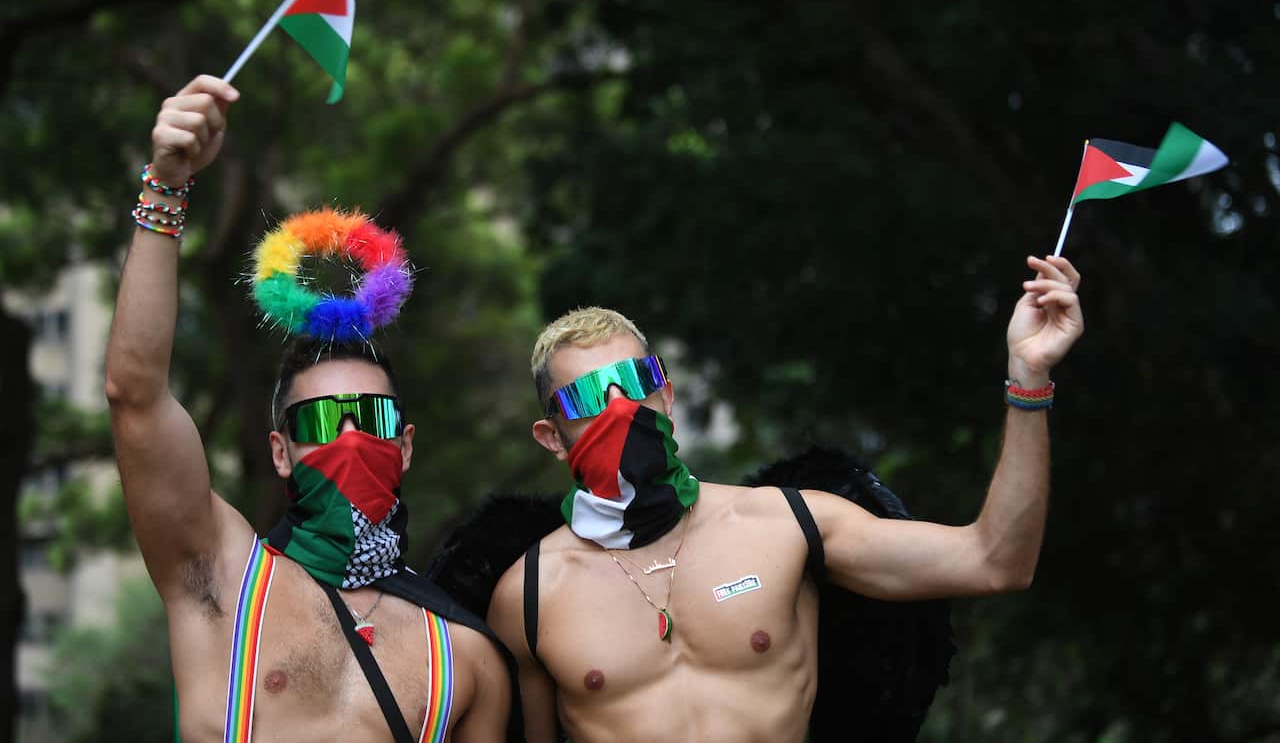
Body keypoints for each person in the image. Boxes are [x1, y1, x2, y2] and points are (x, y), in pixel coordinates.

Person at [487, 259, 1083, 742]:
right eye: (590, 394)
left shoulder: (786, 523)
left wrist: (1027, 377)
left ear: (666, 396)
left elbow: (995, 560)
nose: (622, 406)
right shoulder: (531, 595)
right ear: (551, 439)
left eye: (638, 381)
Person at [105, 75, 511, 742]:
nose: (350, 439)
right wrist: (166, 184)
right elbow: (135, 395)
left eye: (371, 419)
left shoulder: (464, 658)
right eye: (322, 422)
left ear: (405, 444)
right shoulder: (223, 576)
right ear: (280, 451)